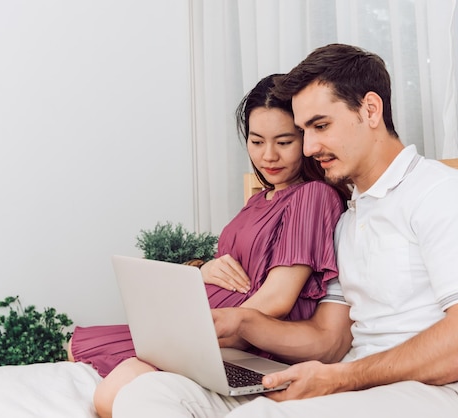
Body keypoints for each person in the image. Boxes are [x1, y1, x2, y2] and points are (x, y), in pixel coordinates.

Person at [112, 44, 458, 418]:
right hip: (353, 381)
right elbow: (327, 341)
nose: (309, 148)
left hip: (443, 392)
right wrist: (242, 323)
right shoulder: (350, 218)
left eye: (320, 126)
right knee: (150, 395)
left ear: (370, 110)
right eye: (305, 130)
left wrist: (342, 378)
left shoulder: (445, 194)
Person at [68, 73, 350, 418]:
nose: (269, 156)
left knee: (110, 396)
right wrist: (203, 270)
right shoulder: (259, 199)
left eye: (284, 142)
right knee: (77, 346)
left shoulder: (313, 195)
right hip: (207, 326)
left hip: (239, 337)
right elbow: (230, 267)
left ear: (305, 140)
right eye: (257, 142)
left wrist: (202, 335)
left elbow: (277, 299)